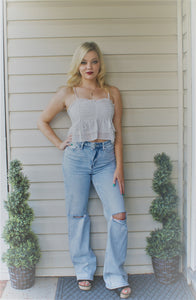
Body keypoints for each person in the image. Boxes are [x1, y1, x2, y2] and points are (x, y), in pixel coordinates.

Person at [37, 41, 131, 299]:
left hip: (106, 160)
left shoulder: (112, 92)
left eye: (94, 61)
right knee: (77, 215)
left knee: (118, 215)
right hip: (76, 157)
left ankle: (114, 275)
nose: (89, 66)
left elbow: (118, 132)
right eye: (83, 61)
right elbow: (42, 121)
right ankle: (84, 270)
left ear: (100, 64)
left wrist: (119, 167)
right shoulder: (67, 92)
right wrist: (59, 144)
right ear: (77, 65)